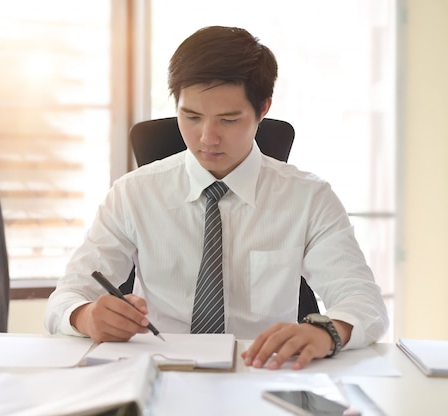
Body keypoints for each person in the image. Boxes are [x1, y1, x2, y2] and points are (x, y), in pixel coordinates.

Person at [44, 26, 388, 370]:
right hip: (160, 372)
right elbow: (66, 298)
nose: (207, 138)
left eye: (228, 119)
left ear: (263, 109)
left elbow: (363, 303)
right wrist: (86, 316)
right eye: (191, 117)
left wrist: (328, 331)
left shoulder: (310, 198)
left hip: (263, 374)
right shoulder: (133, 193)